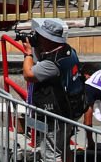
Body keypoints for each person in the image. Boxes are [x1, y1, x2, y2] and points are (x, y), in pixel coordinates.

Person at [21, 18, 85, 160]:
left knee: (51, 154)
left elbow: (29, 74)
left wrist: (28, 53)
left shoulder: (52, 63)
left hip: (55, 114)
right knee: (63, 148)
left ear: (48, 39)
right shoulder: (68, 51)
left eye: (40, 36)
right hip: (70, 109)